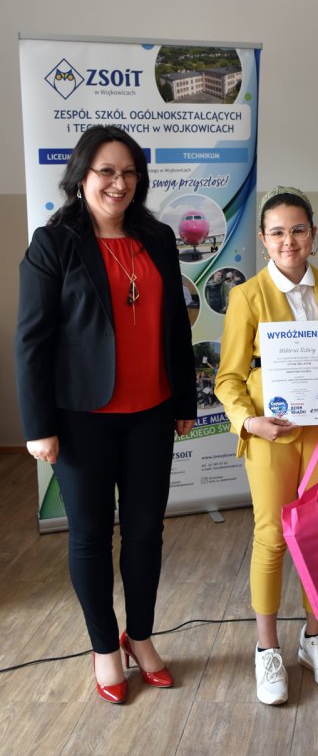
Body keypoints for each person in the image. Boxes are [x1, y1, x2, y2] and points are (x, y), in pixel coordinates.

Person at [15, 125, 197, 704]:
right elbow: (32, 341)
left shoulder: (157, 237)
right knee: (91, 536)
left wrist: (185, 400)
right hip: (80, 417)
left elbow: (175, 325)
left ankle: (139, 636)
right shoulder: (54, 243)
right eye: (106, 172)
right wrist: (38, 426)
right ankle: (103, 647)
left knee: (145, 533)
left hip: (152, 412)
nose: (119, 183)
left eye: (129, 172)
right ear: (82, 177)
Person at [214, 186, 318, 705]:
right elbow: (228, 378)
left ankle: (314, 638)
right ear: (263, 239)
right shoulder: (246, 296)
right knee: (272, 536)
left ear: (313, 235)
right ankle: (267, 649)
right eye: (277, 232)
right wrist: (248, 423)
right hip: (269, 432)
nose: (288, 240)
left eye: (298, 230)